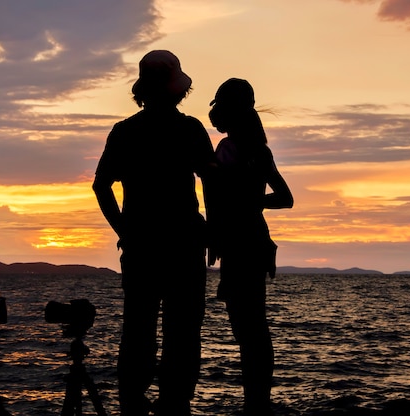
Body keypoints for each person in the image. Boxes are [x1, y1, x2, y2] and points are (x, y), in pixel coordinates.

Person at [92, 50, 215, 416]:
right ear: (178, 91)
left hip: (143, 245)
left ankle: (134, 401)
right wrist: (215, 231)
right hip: (184, 244)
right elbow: (212, 182)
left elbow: (101, 186)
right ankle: (175, 403)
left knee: (138, 327)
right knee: (183, 330)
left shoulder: (126, 132)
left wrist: (124, 230)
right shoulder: (190, 129)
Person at [207, 78, 293, 416]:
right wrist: (253, 200)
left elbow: (217, 199)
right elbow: (285, 199)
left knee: (247, 328)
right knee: (254, 327)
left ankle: (255, 405)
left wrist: (240, 205)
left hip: (242, 245)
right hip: (255, 243)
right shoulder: (260, 151)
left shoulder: (228, 149)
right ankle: (258, 402)